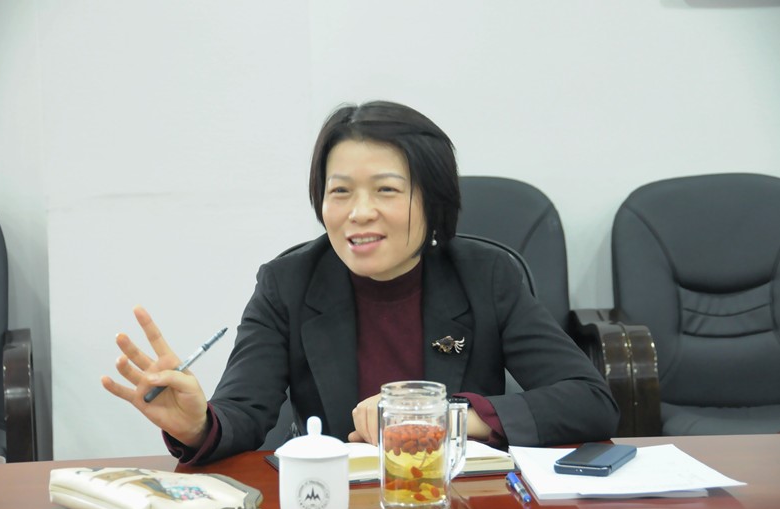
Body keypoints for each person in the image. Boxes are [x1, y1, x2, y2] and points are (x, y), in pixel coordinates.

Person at [101, 101, 619, 464]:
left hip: (459, 501)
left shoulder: (486, 276)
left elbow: (589, 400)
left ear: (433, 201)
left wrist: (445, 417)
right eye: (341, 191)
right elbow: (244, 412)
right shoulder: (287, 283)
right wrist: (196, 426)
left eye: (386, 190)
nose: (359, 212)